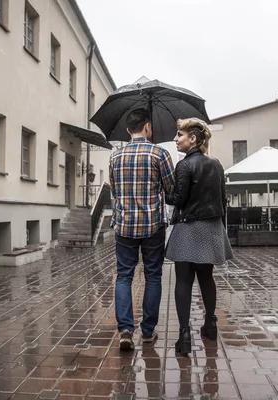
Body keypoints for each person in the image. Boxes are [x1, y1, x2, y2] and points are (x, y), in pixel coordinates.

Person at [165, 117, 233, 356]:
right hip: (211, 227)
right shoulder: (217, 164)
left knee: (183, 280)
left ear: (193, 138)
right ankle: (211, 324)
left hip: (188, 227)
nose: (176, 139)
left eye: (179, 135)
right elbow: (222, 200)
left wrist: (166, 188)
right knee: (207, 278)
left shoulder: (183, 165)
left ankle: (185, 334)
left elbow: (177, 199)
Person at [109, 108, 175, 351]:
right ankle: (147, 332)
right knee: (153, 276)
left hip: (124, 225)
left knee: (124, 276)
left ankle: (125, 329)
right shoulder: (160, 154)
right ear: (148, 127)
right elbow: (171, 189)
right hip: (152, 225)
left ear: (128, 130)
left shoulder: (115, 156)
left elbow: (114, 191)